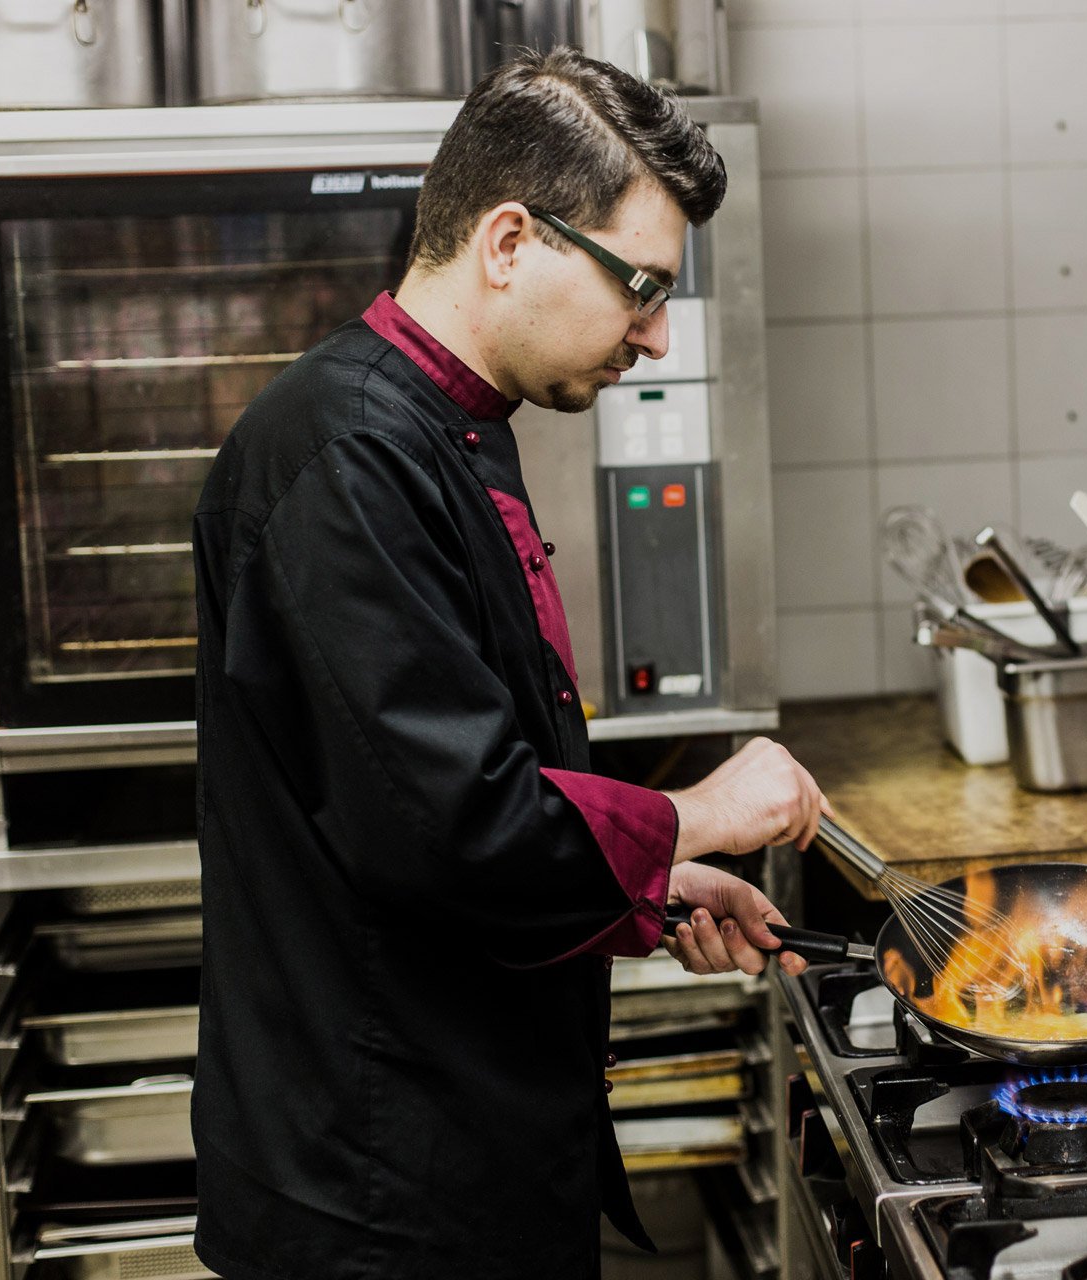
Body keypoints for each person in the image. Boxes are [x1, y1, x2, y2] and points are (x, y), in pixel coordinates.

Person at [189, 48, 825, 1280]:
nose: (654, 335)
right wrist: (701, 809)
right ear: (510, 241)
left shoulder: (441, 427)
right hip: (381, 1194)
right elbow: (460, 825)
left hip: (457, 1145)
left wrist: (650, 881)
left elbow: (449, 795)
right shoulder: (346, 459)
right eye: (641, 286)